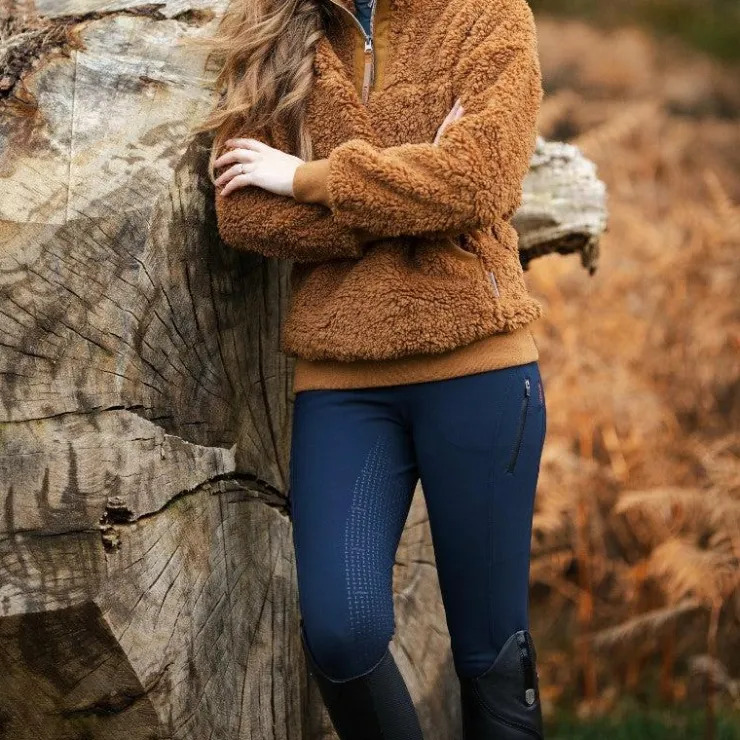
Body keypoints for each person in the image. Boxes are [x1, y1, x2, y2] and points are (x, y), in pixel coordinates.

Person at [202, 0, 547, 735]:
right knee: (340, 633)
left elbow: (479, 182)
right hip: (343, 384)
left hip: (478, 370)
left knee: (489, 648)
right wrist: (417, 189)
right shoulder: (273, 31)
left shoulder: (488, 16)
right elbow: (244, 213)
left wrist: (307, 178)